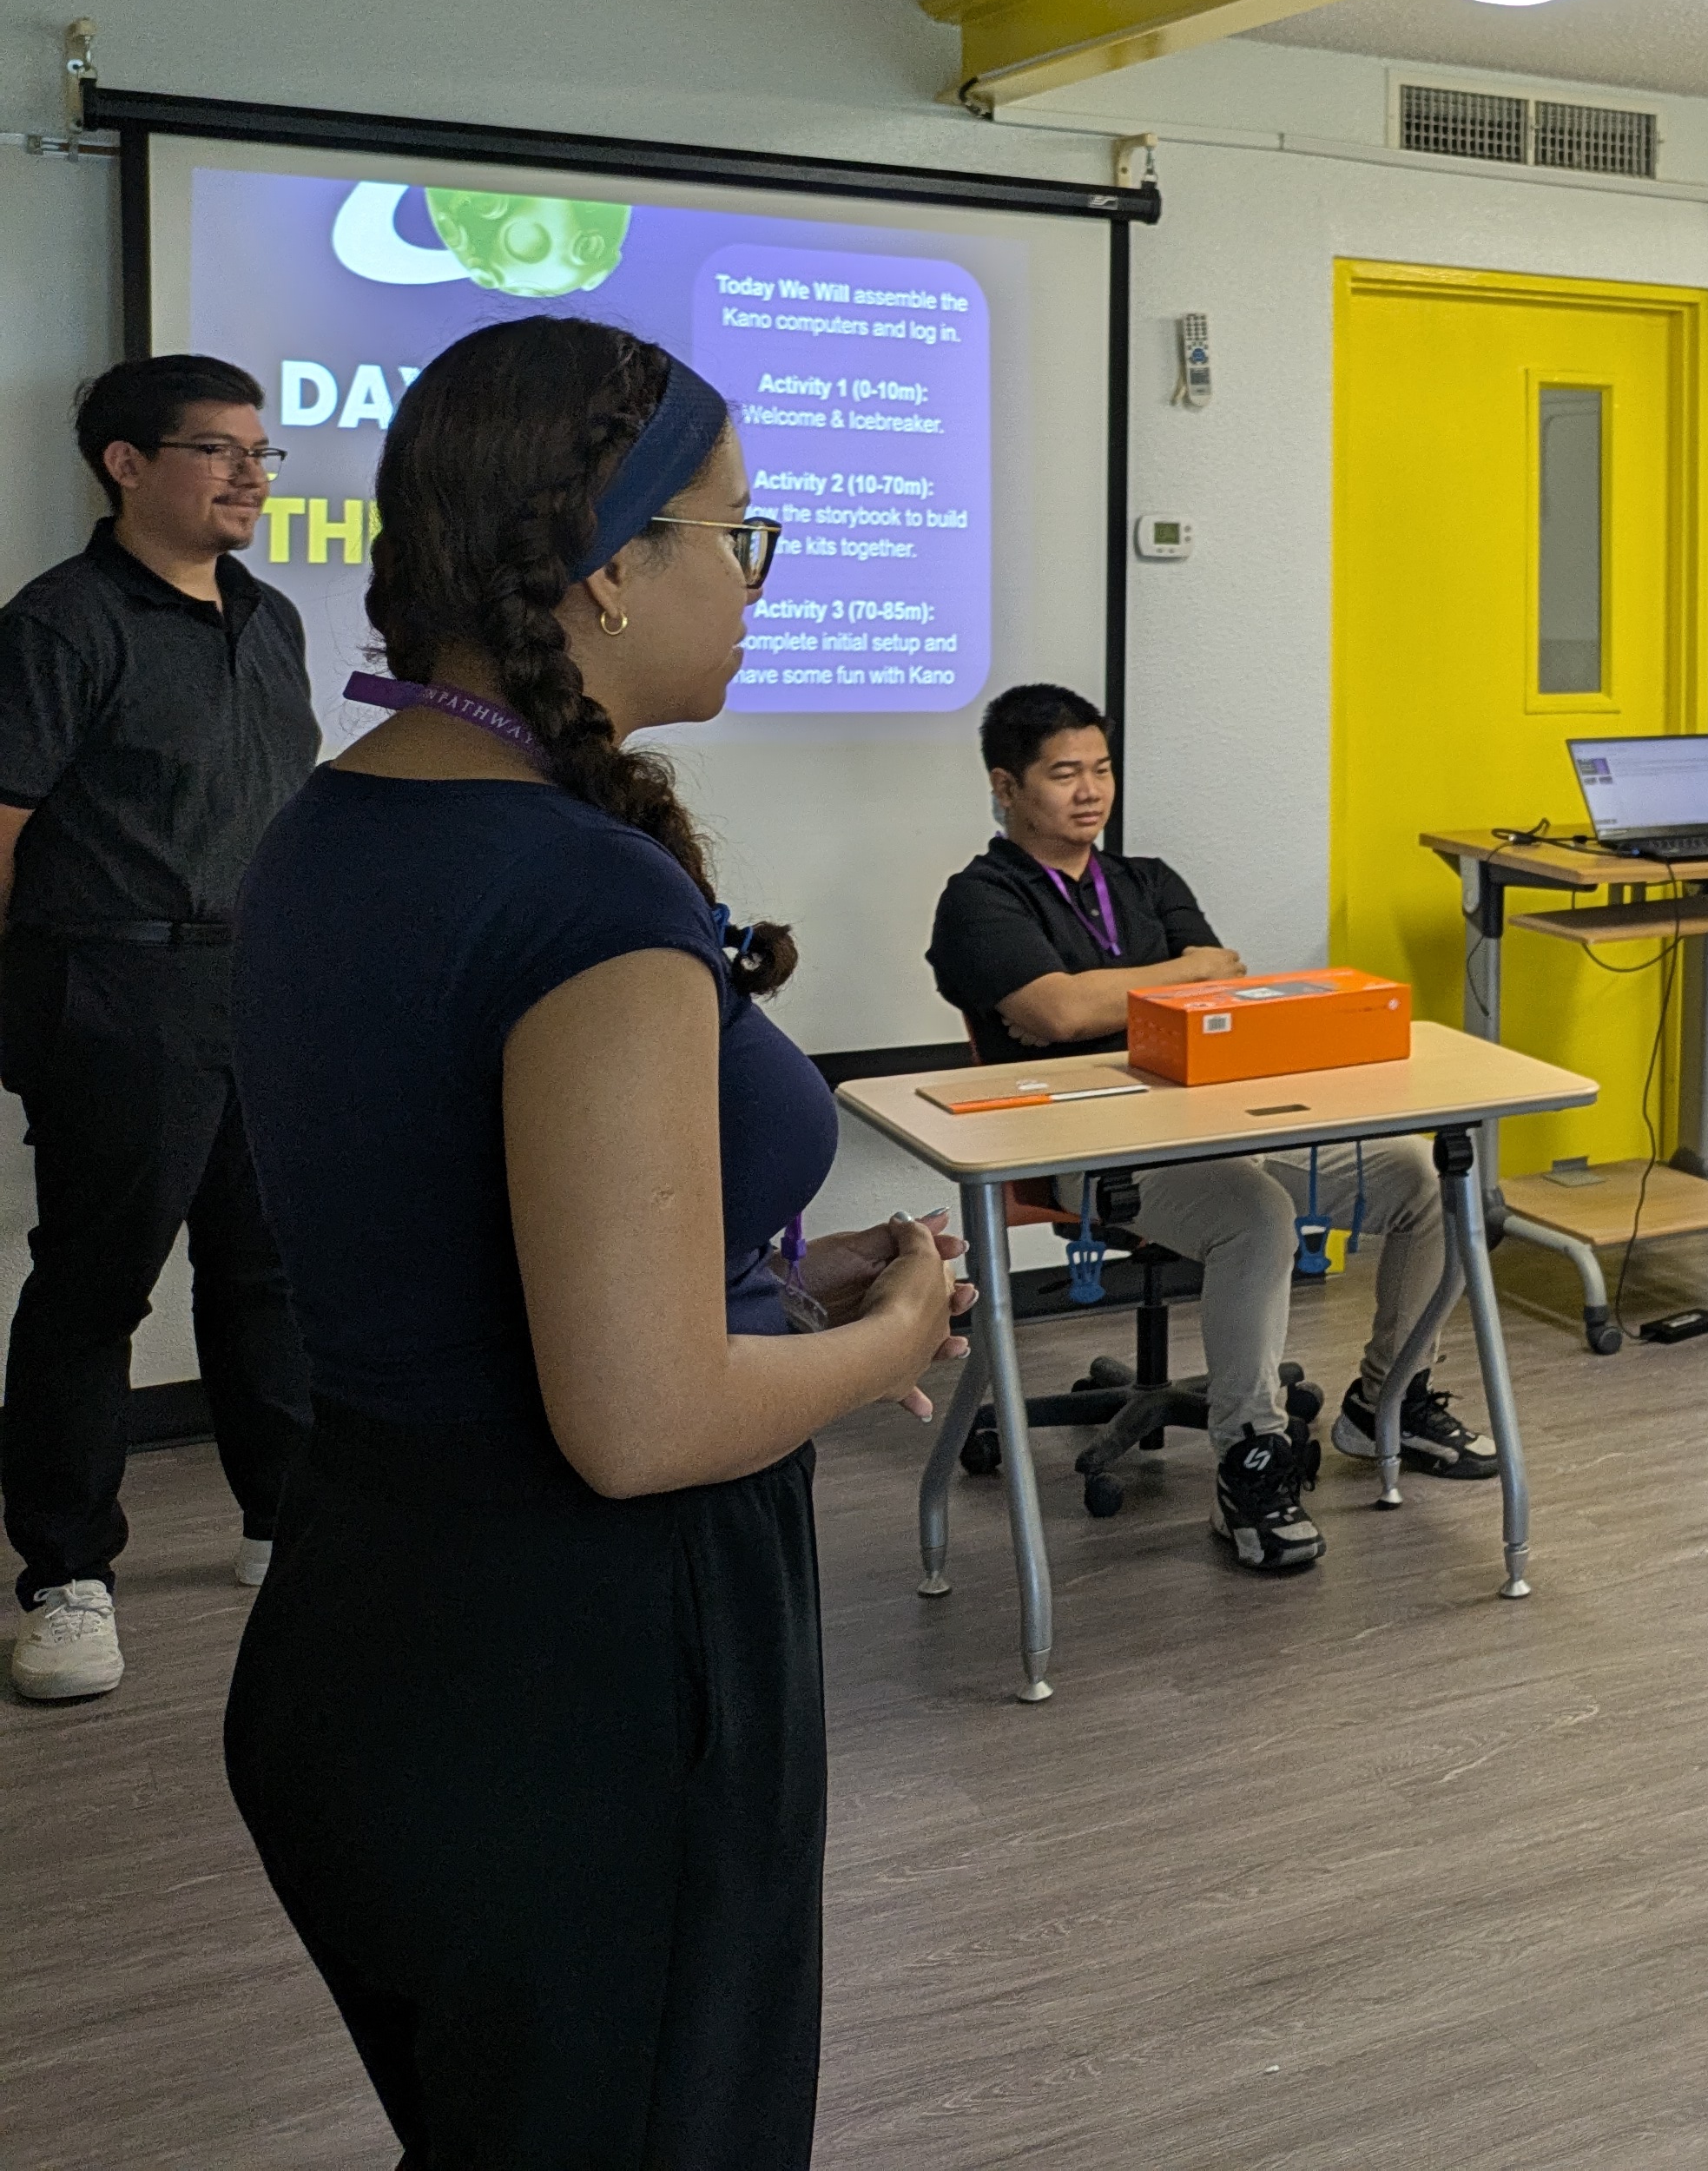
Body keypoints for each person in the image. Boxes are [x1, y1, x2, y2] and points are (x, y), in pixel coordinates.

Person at [224, 317, 972, 2164]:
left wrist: (770, 1281)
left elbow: (461, 1246)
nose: (752, 575)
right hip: (587, 1692)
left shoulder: (333, 823)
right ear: (606, 566)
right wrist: (896, 1338)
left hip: (371, 1635)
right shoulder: (583, 893)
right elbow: (633, 1422)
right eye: (737, 533)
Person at [926, 682, 1497, 1572]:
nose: (1091, 791)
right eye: (1063, 773)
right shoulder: (979, 900)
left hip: (1220, 1124)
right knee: (1256, 1214)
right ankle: (1251, 1457)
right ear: (1006, 787)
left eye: (1102, 768)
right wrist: (1168, 977)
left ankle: (1384, 1403)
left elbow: (1225, 983)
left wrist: (1163, 984)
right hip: (1085, 1151)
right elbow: (1060, 1013)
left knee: (1428, 1178)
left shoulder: (1145, 881)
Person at [0, 354, 317, 1705]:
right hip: (114, 994)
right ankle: (66, 1578)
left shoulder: (272, 617)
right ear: (127, 466)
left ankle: (283, 1523)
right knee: (95, 1288)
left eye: (262, 451)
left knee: (267, 1275)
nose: (251, 475)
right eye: (218, 451)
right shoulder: (61, 623)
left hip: (262, 991)